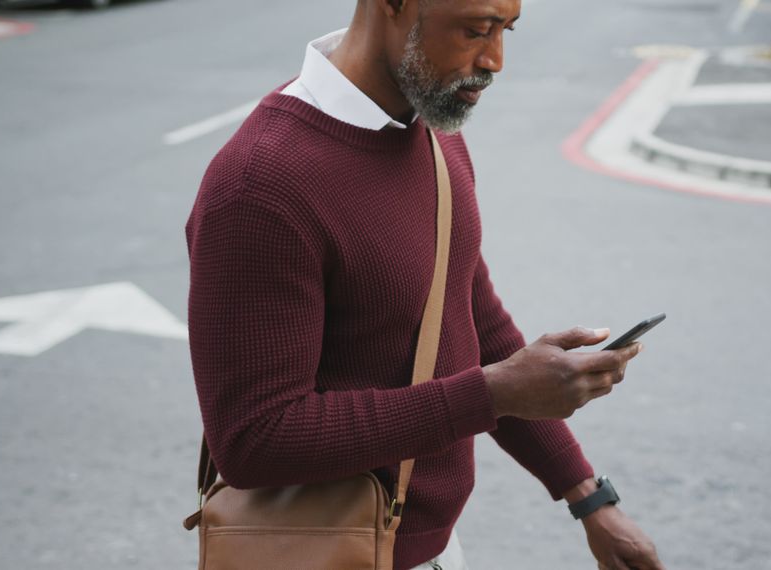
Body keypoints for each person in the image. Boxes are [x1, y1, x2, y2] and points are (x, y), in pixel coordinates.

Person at [184, 0, 665, 568]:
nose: (495, 59)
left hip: (429, 547)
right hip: (325, 546)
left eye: (505, 30)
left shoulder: (432, 130)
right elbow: (253, 440)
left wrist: (586, 494)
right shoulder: (260, 184)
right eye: (474, 30)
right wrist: (494, 394)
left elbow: (473, 317)